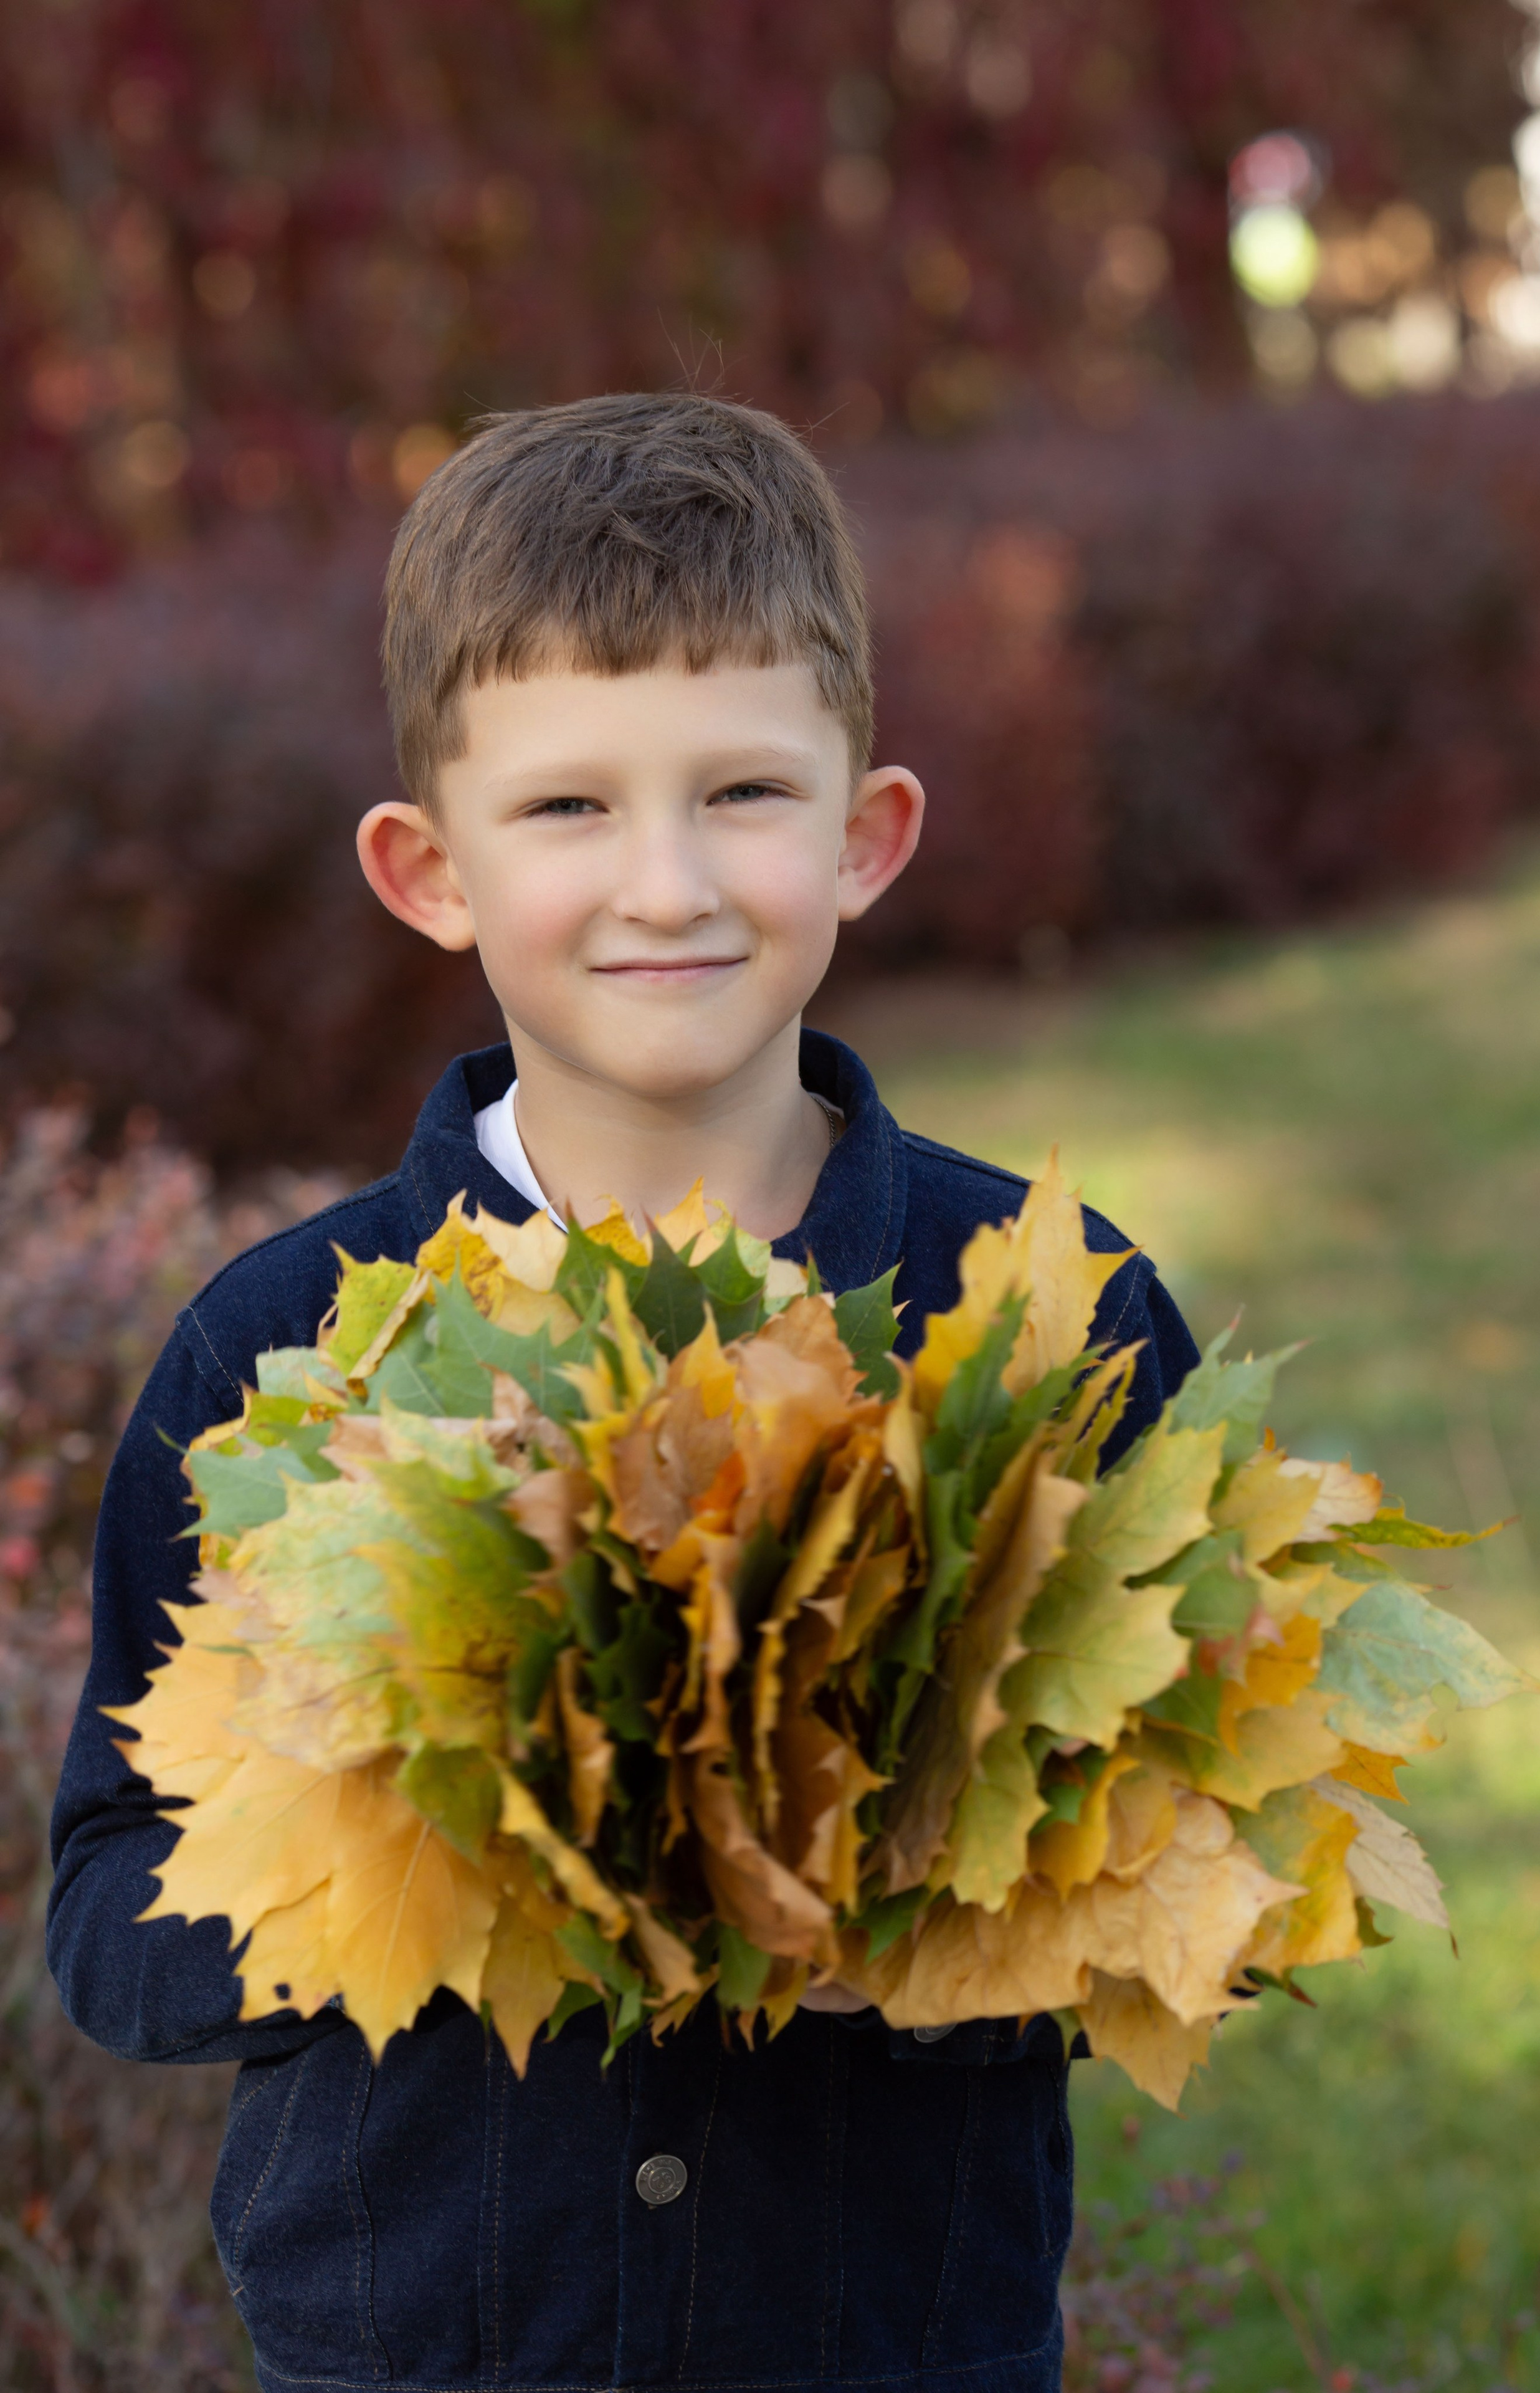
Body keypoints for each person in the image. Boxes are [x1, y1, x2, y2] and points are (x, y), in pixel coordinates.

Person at [49, 394, 1200, 2393]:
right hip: (418, 2353)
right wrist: (414, 1862)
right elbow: (109, 1917)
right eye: (569, 809)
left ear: (866, 837)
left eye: (743, 794)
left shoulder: (1040, 1329)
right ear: (431, 870)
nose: (665, 884)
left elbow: (1200, 1859)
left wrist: (913, 1946)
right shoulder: (278, 1355)